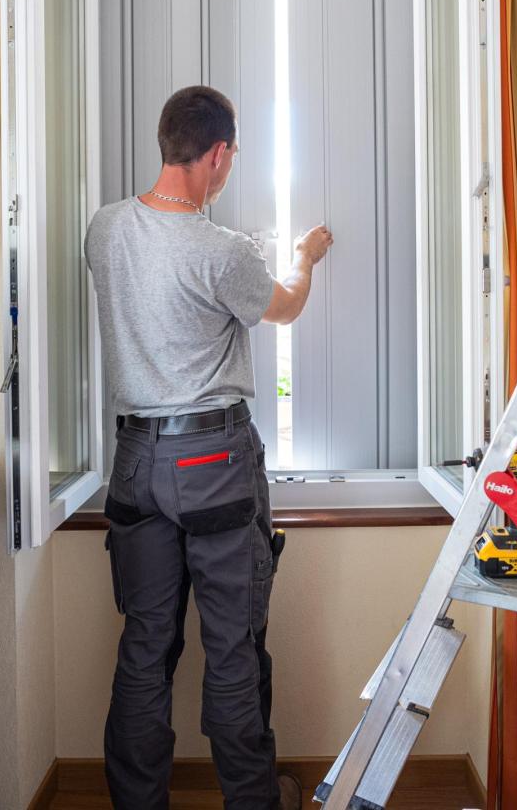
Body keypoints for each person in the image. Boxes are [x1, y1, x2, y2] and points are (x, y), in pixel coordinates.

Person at [84, 85, 333, 810]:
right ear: (218, 153)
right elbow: (282, 307)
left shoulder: (104, 229)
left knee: (145, 646)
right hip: (213, 462)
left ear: (168, 142)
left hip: (134, 462)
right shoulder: (221, 251)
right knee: (230, 646)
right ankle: (253, 801)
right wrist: (305, 256)